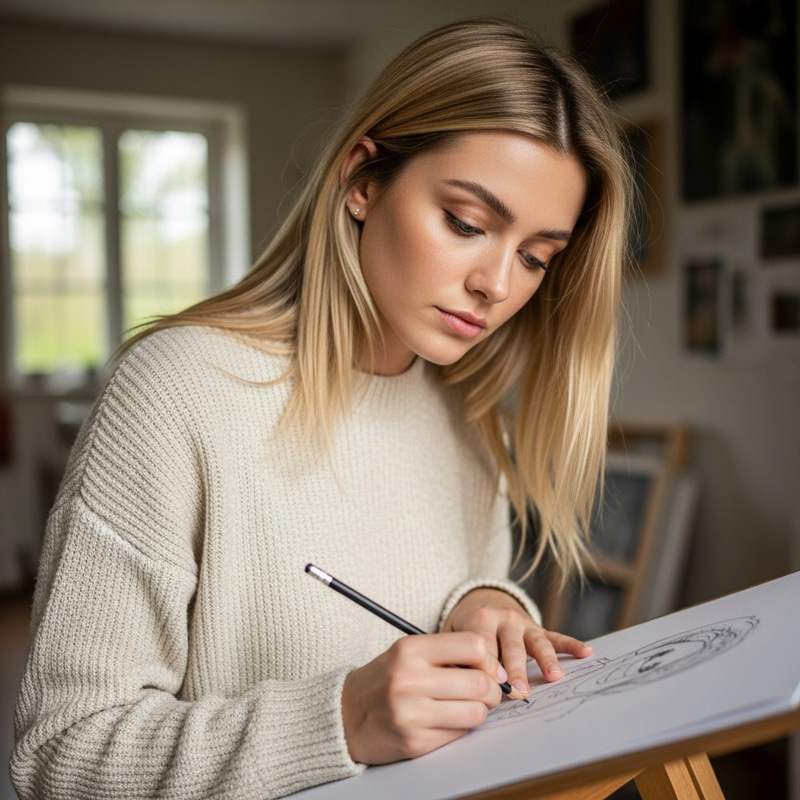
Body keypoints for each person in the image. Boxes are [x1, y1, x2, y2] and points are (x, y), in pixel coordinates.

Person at [11, 17, 631, 800]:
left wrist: (481, 603)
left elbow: (439, 616)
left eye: (538, 257)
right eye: (468, 224)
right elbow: (58, 755)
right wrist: (338, 720)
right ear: (362, 181)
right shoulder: (176, 391)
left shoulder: (468, 416)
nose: (498, 285)